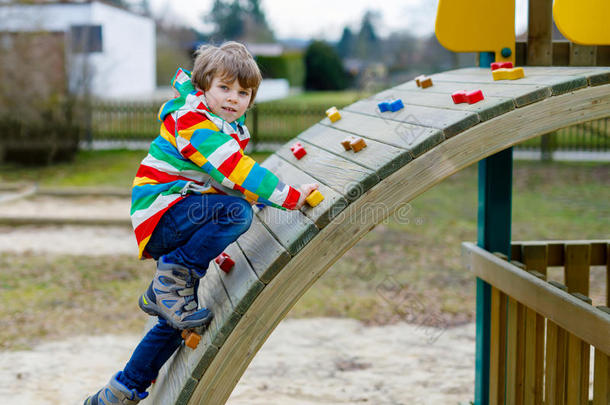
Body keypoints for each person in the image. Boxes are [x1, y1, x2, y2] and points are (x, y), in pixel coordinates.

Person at [84, 41, 318, 405]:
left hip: (181, 214)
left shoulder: (223, 129)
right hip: (164, 213)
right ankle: (173, 275)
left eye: (243, 93)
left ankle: (119, 391)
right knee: (235, 213)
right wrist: (290, 197)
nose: (233, 98)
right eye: (224, 88)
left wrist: (258, 198)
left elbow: (230, 182)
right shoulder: (193, 122)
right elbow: (236, 170)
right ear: (204, 87)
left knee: (178, 322)